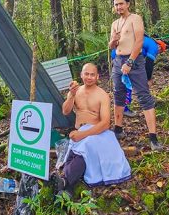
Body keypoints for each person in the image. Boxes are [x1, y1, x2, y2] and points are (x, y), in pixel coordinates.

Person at [51, 63, 131, 193]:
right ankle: (66, 185)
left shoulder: (102, 95)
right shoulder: (75, 91)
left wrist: (83, 135)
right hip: (79, 132)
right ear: (81, 75)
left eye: (92, 74)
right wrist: (71, 95)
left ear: (97, 76)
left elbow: (105, 123)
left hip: (97, 133)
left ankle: (65, 182)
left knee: (83, 150)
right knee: (74, 156)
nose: (89, 77)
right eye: (86, 74)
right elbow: (65, 111)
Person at [108, 0, 161, 149]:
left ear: (128, 4)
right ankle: (118, 129)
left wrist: (130, 62)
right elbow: (111, 46)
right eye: (116, 4)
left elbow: (138, 41)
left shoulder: (135, 19)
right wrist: (114, 40)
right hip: (118, 61)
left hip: (134, 61)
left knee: (144, 96)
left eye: (121, 3)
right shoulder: (115, 24)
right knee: (118, 94)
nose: (119, 7)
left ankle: (153, 137)